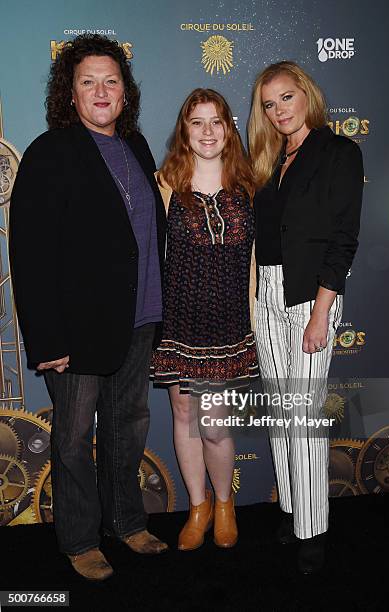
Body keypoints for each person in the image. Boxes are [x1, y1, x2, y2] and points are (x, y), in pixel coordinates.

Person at [9, 34, 168, 581]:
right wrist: (47, 340)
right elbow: (29, 254)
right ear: (70, 95)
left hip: (141, 318)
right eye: (88, 81)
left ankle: (127, 521)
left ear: (125, 93)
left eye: (111, 81)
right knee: (74, 439)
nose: (101, 90)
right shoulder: (50, 153)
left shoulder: (139, 148)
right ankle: (78, 539)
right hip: (76, 331)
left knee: (129, 429)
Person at [248, 61, 363, 573]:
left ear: (306, 95)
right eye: (269, 104)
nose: (278, 111)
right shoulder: (269, 159)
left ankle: (313, 529)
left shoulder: (339, 152)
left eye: (286, 98)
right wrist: (253, 299)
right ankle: (294, 507)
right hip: (268, 296)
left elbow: (342, 240)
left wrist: (321, 314)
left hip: (311, 297)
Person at [150, 88, 258, 551]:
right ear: (185, 130)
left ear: (229, 128)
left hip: (230, 324)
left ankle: (225, 501)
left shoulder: (250, 184)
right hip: (179, 321)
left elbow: (261, 261)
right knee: (182, 413)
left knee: (214, 425)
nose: (208, 131)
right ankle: (198, 507)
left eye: (217, 121)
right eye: (198, 122)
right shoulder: (165, 182)